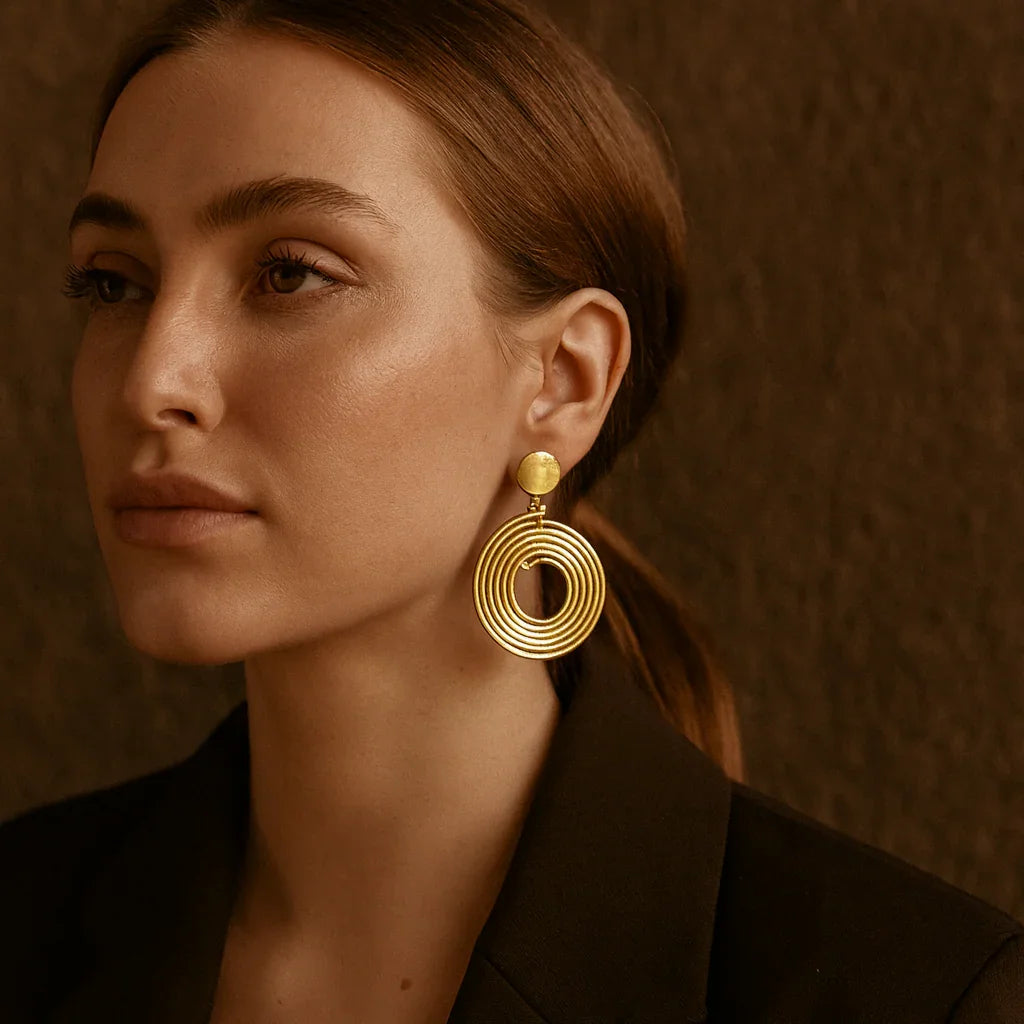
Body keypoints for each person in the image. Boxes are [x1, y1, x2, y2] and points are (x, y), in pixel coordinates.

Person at [1, 0, 1021, 1020]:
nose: (151, 380)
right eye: (114, 282)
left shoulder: (916, 996)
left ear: (565, 381)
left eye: (289, 274)